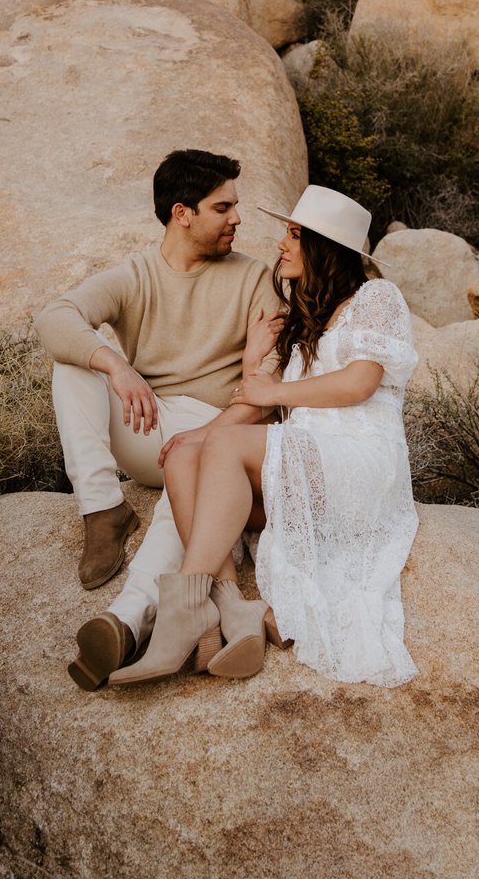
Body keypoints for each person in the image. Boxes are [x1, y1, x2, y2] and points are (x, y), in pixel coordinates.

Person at [109, 184, 420, 690]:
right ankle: (231, 611)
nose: (281, 244)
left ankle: (180, 614)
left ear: (326, 248)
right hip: (303, 466)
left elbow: (358, 383)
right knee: (187, 457)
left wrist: (274, 389)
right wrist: (239, 382)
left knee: (222, 447)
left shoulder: (376, 297)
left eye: (294, 235)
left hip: (357, 463)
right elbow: (260, 400)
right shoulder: (304, 321)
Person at [34, 148, 282, 691]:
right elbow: (54, 317)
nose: (237, 218)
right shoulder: (135, 276)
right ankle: (103, 509)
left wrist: (211, 432)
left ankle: (125, 621)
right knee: (74, 363)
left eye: (235, 206)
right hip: (148, 424)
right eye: (223, 208)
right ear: (181, 213)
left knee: (191, 481)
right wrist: (116, 365)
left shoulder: (254, 278)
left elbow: (270, 379)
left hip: (217, 433)